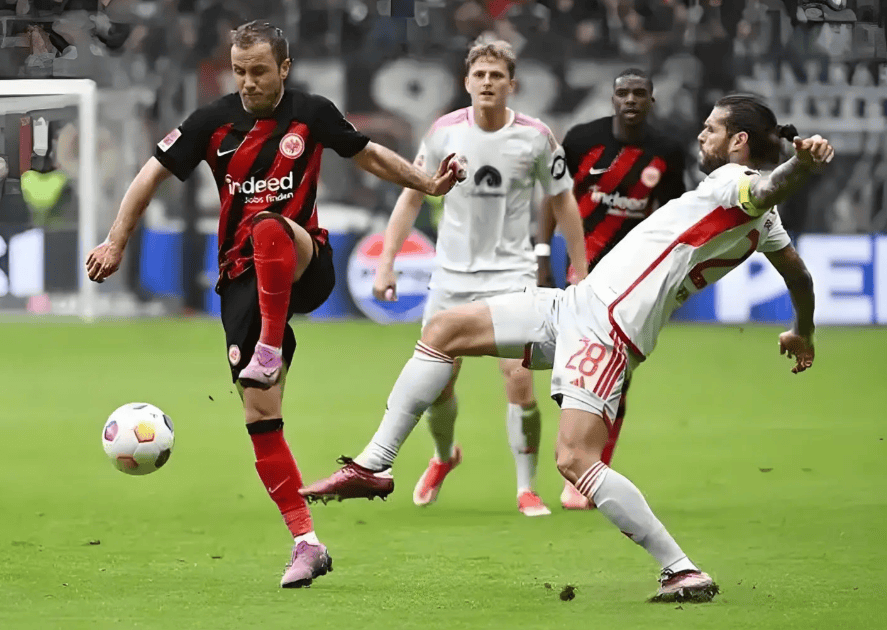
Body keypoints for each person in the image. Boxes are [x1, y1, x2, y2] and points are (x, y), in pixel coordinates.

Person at [301, 94, 832, 602]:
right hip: (577, 305)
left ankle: (681, 568)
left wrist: (800, 167)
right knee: (443, 330)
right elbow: (800, 277)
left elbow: (768, 188)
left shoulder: (737, 184)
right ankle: (374, 465)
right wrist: (802, 331)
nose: (701, 134)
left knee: (576, 460)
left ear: (739, 141)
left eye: (712, 128)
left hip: (609, 330)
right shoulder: (763, 221)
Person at [84, 20, 459, 589]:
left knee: (267, 224)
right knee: (260, 416)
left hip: (305, 261)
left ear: (284, 68)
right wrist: (115, 241)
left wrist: (427, 183)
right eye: (239, 71)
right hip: (242, 281)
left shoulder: (310, 113)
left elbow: (369, 155)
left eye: (259, 71)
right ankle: (306, 543)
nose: (248, 82)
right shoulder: (212, 122)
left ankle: (267, 347)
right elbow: (149, 175)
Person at [371, 40, 588, 517]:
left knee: (518, 378)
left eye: (497, 75)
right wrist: (387, 261)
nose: (488, 82)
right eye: (480, 75)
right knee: (439, 385)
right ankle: (444, 456)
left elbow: (563, 201)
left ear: (512, 84)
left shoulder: (536, 137)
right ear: (466, 82)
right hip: (452, 276)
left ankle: (526, 487)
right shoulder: (443, 132)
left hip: (511, 274)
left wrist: (581, 268)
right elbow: (411, 195)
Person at [538, 67, 687, 510]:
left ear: (651, 100)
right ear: (613, 98)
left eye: (640, 93)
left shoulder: (667, 152)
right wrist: (542, 255)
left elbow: (674, 217)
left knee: (617, 374)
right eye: (624, 92)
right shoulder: (582, 140)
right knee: (577, 368)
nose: (631, 100)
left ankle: (592, 470)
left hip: (634, 276)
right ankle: (579, 463)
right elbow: (553, 196)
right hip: (583, 269)